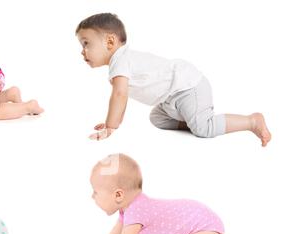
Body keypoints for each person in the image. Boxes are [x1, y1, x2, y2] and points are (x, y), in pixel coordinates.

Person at [76, 13, 271, 146]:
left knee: (204, 129)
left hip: (187, 88)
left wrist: (111, 125)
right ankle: (193, 118)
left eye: (86, 43)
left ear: (110, 41)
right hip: (170, 98)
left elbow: (119, 95)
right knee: (157, 118)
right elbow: (121, 96)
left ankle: (251, 121)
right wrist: (112, 120)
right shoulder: (121, 61)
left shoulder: (120, 61)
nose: (82, 51)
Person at [81, 153, 248, 234]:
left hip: (202, 225)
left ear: (118, 194)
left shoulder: (137, 210)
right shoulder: (129, 209)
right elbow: (116, 233)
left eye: (96, 192)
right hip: (189, 227)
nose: (92, 196)